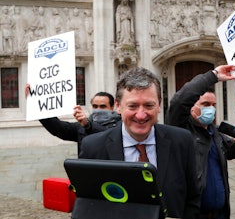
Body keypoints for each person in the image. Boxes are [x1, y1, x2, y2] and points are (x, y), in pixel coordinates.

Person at [79, 67, 200, 219]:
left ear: (159, 105)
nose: (141, 115)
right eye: (133, 106)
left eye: (149, 105)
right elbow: (87, 206)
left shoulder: (182, 141)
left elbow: (192, 198)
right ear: (118, 106)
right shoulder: (93, 147)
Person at [165, 65, 235, 219]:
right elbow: (179, 102)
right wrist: (213, 76)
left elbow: (234, 152)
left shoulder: (215, 132)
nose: (211, 109)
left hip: (220, 213)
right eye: (206, 105)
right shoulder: (180, 130)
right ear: (191, 108)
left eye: (214, 105)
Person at [25, 84, 120, 154]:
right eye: (95, 106)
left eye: (102, 107)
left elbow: (108, 135)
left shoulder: (121, 125)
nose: (98, 110)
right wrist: (36, 104)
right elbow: (57, 128)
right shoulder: (81, 126)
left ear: (112, 107)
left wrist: (88, 125)